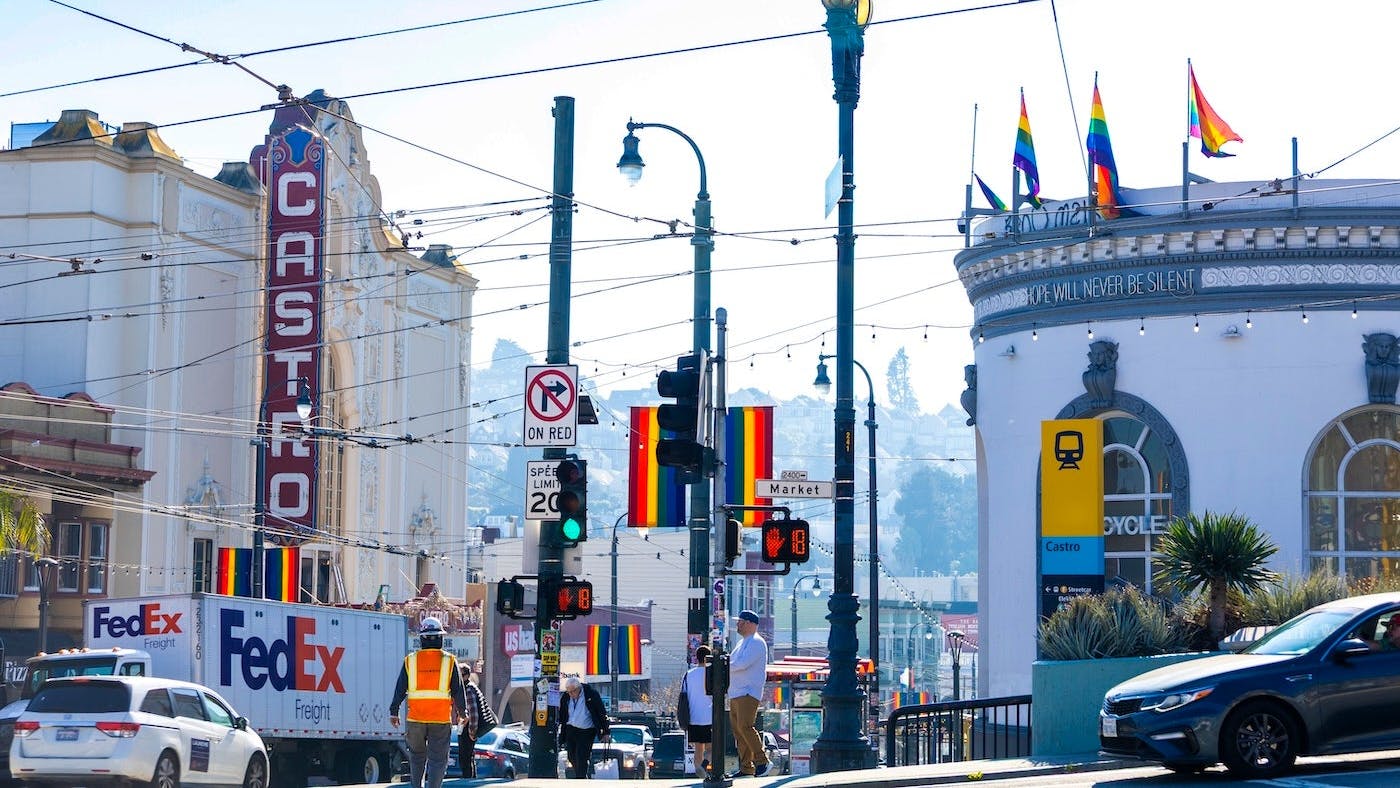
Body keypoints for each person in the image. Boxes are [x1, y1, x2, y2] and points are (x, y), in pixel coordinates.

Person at [389, 617, 469, 788]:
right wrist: (463, 713)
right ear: (440, 638)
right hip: (440, 719)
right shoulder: (449, 661)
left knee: (417, 757)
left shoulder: (411, 661)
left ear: (421, 639)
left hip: (415, 718)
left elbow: (400, 688)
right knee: (438, 760)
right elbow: (458, 689)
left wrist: (394, 712)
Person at [726, 610, 771, 778]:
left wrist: (726, 666)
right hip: (736, 692)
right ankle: (746, 767)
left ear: (751, 624)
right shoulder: (742, 643)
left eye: (742, 621)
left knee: (746, 726)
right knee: (739, 731)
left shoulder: (757, 642)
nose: (738, 624)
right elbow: (734, 662)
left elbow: (741, 664)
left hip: (748, 692)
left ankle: (762, 761)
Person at [558, 675, 611, 779]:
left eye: (572, 691)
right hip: (571, 729)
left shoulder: (591, 694)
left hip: (587, 730)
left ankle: (580, 779)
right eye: (568, 692)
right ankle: (582, 776)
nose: (571, 694)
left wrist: (605, 731)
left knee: (582, 756)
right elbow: (563, 715)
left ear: (578, 688)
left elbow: (601, 712)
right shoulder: (566, 696)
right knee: (571, 756)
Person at [682, 645, 714, 775]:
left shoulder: (688, 675)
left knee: (698, 748)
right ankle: (705, 765)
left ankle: (698, 771)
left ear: (697, 657)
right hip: (709, 716)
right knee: (711, 747)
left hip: (693, 716)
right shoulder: (711, 673)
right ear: (708, 657)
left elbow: (683, 694)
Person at [456, 664, 483, 778]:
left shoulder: (468, 689)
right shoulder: (468, 687)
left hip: (467, 728)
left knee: (465, 757)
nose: (458, 678)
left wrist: (472, 731)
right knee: (467, 757)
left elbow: (473, 712)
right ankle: (470, 780)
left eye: (460, 675)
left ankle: (468, 782)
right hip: (464, 726)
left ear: (466, 676)